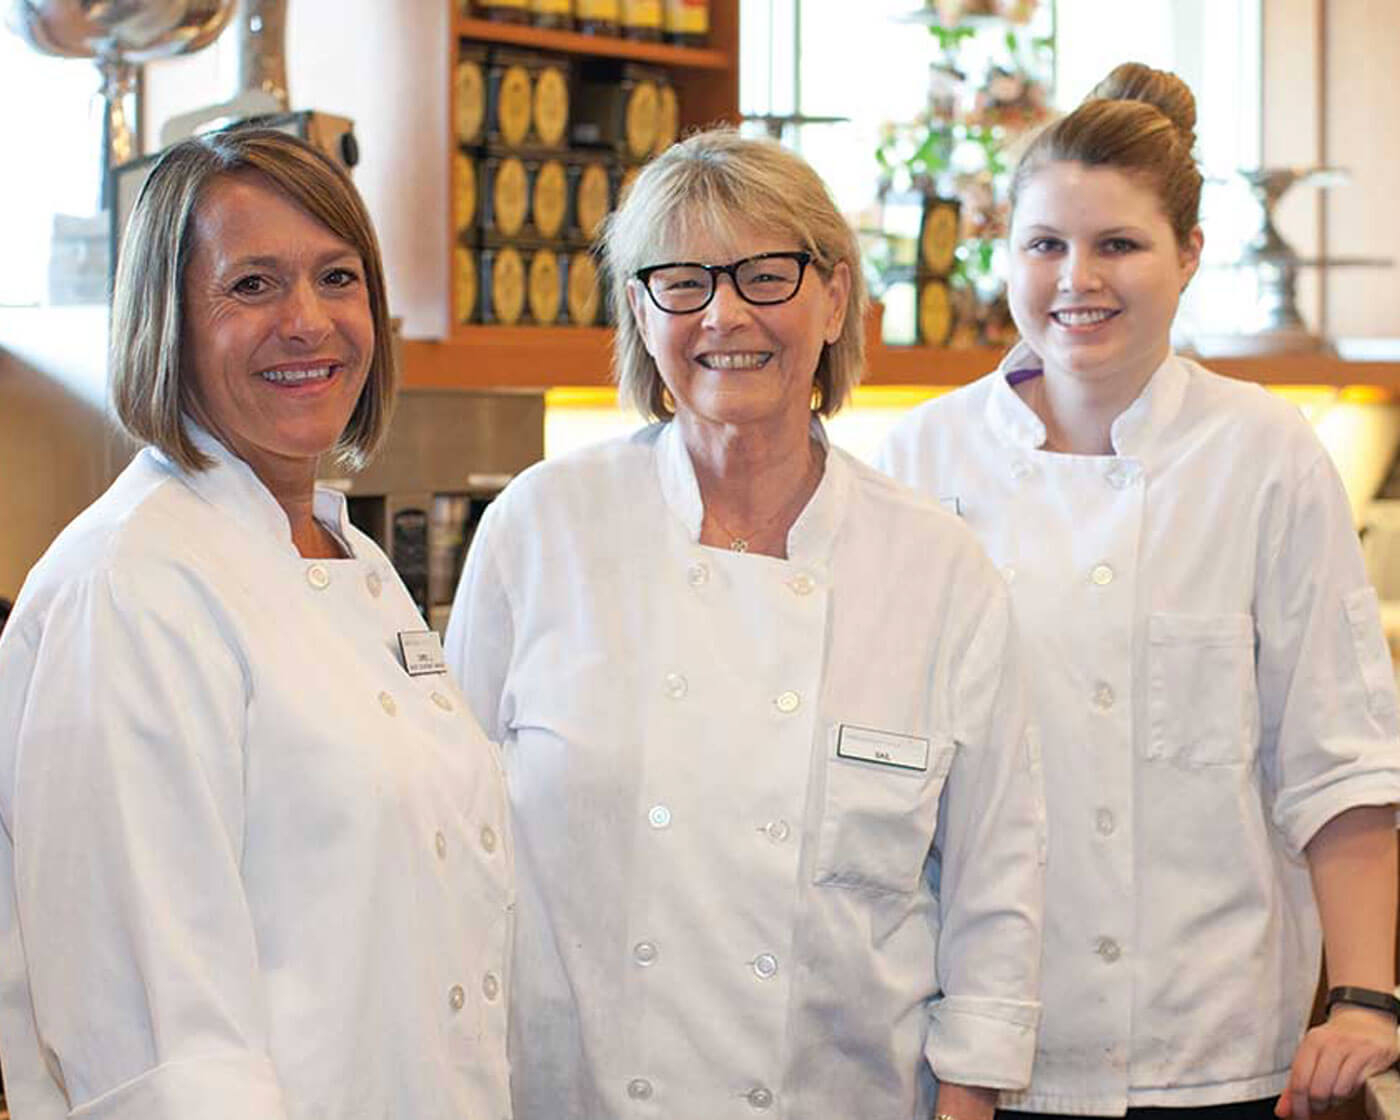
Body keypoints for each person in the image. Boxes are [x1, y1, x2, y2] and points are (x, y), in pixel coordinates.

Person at [444, 127, 1045, 1120]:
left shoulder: (936, 567)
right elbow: (452, 844)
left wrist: (968, 1100)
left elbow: (995, 883)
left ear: (833, 296)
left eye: (766, 274)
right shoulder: (541, 528)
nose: (724, 313)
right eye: (679, 279)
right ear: (639, 310)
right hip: (573, 1094)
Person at [877, 62, 1400, 1120]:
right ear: (1003, 254)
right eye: (1044, 245)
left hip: (1206, 1035)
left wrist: (1360, 1002)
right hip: (970, 1044)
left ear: (1187, 255)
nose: (1078, 278)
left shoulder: (1263, 453)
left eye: (1117, 244)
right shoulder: (918, 460)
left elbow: (1335, 755)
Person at [0, 129, 512, 1120]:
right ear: (167, 320)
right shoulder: (133, 588)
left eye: (337, 276)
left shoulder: (347, 557)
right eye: (251, 286)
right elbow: (158, 1043)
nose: (309, 322)